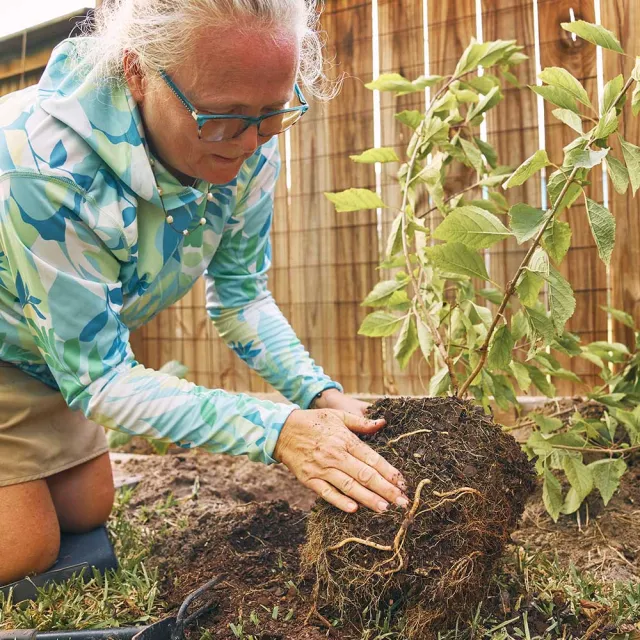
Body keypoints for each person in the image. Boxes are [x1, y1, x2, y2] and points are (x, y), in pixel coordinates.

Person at [0, 0, 408, 585]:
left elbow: (241, 297)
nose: (249, 142)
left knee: (88, 509)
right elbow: (100, 379)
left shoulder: (248, 145)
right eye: (223, 115)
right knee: (24, 548)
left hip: (49, 353)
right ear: (137, 70)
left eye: (272, 114)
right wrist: (275, 431)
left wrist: (319, 396)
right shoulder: (43, 166)